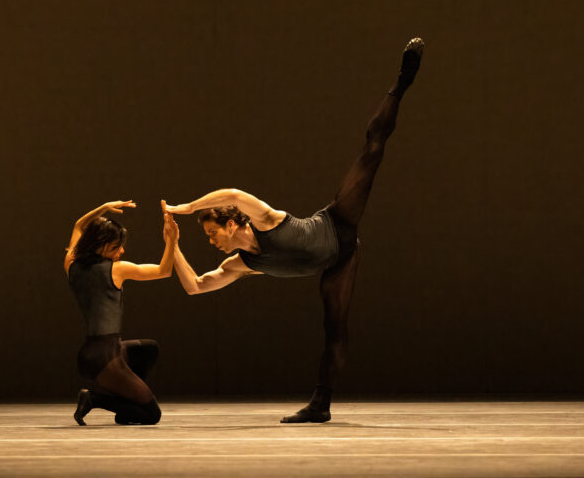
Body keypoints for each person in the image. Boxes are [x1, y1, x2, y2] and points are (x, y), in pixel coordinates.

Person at [163, 39, 423, 423]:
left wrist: (187, 207)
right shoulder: (242, 263)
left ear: (231, 222)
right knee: (334, 330)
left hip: (338, 223)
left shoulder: (266, 219)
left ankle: (401, 82)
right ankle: (321, 406)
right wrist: (173, 245)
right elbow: (196, 286)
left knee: (371, 151)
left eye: (211, 232)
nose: (212, 241)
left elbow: (234, 193)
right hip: (340, 261)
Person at [64, 199, 179, 425]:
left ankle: (124, 397)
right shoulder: (116, 270)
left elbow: (79, 225)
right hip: (105, 359)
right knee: (151, 415)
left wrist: (103, 208)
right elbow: (163, 271)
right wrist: (172, 241)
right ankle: (94, 398)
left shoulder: (71, 263)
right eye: (117, 246)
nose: (122, 251)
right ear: (100, 245)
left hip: (94, 353)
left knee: (148, 350)